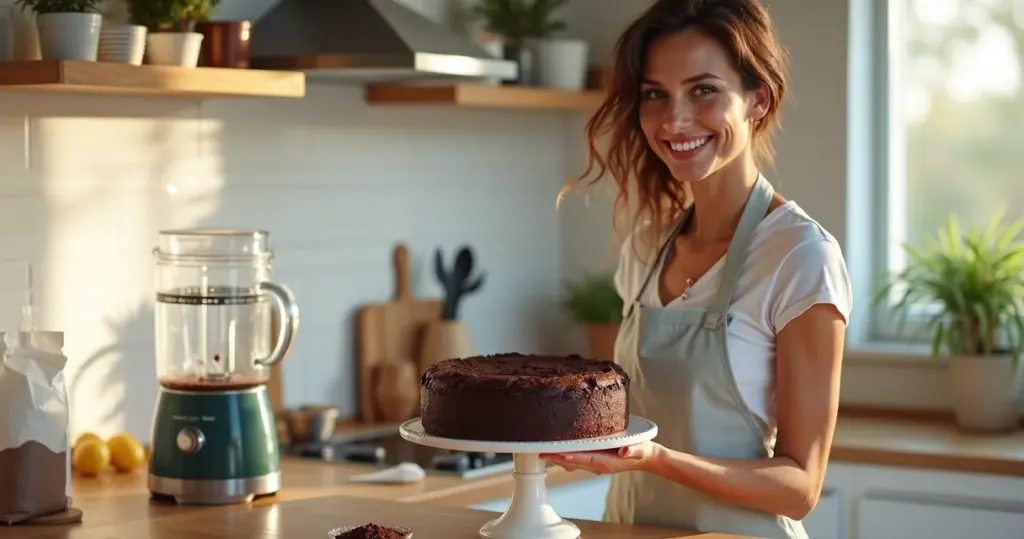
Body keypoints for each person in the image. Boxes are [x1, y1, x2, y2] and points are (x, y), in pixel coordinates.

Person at [542, 1, 853, 538]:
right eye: (655, 94)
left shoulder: (800, 256)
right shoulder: (645, 249)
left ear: (758, 99)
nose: (674, 120)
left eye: (703, 89)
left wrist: (657, 459)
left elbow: (800, 487)